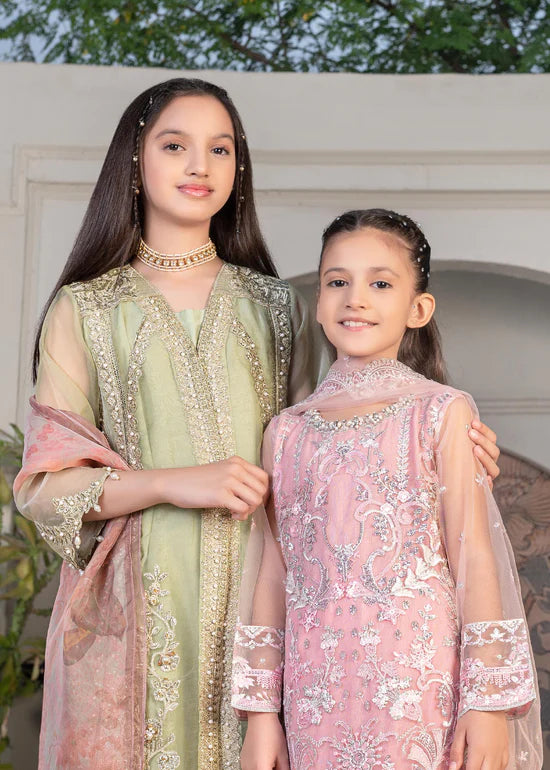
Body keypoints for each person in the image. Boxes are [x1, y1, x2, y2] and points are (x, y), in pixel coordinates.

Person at [13, 80, 498, 768]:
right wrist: (173, 484)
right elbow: (43, 488)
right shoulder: (87, 310)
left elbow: (336, 444)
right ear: (133, 160)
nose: (199, 166)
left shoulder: (277, 307)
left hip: (273, 615)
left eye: (221, 149)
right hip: (136, 618)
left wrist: (449, 444)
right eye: (174, 145)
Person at [231, 209, 542, 770]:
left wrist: (489, 705)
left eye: (380, 282)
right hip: (314, 696)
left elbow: (473, 554)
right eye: (337, 281)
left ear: (417, 308)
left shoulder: (440, 412)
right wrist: (260, 717)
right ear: (319, 303)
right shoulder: (286, 431)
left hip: (418, 688)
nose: (356, 298)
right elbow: (273, 572)